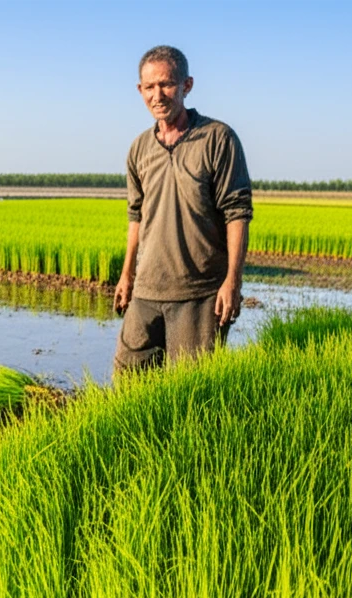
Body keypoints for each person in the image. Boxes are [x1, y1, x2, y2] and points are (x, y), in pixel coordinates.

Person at [113, 45, 253, 373]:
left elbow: (238, 213)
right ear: (140, 89)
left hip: (200, 294)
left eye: (166, 84)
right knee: (127, 383)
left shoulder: (218, 139)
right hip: (147, 289)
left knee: (189, 390)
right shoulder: (139, 149)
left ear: (186, 85)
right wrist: (126, 274)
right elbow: (136, 215)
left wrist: (233, 282)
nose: (157, 95)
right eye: (149, 87)